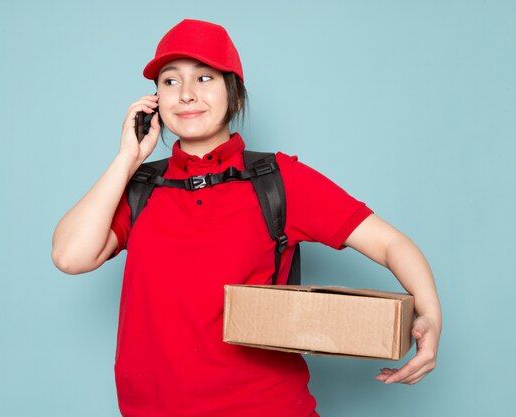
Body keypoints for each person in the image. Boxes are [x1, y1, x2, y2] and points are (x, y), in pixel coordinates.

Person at [52, 19, 441, 417]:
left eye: (204, 78)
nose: (186, 94)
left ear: (234, 95)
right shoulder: (141, 187)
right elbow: (70, 256)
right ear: (154, 100)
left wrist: (430, 315)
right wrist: (126, 159)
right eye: (170, 81)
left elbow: (391, 244)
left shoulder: (278, 180)